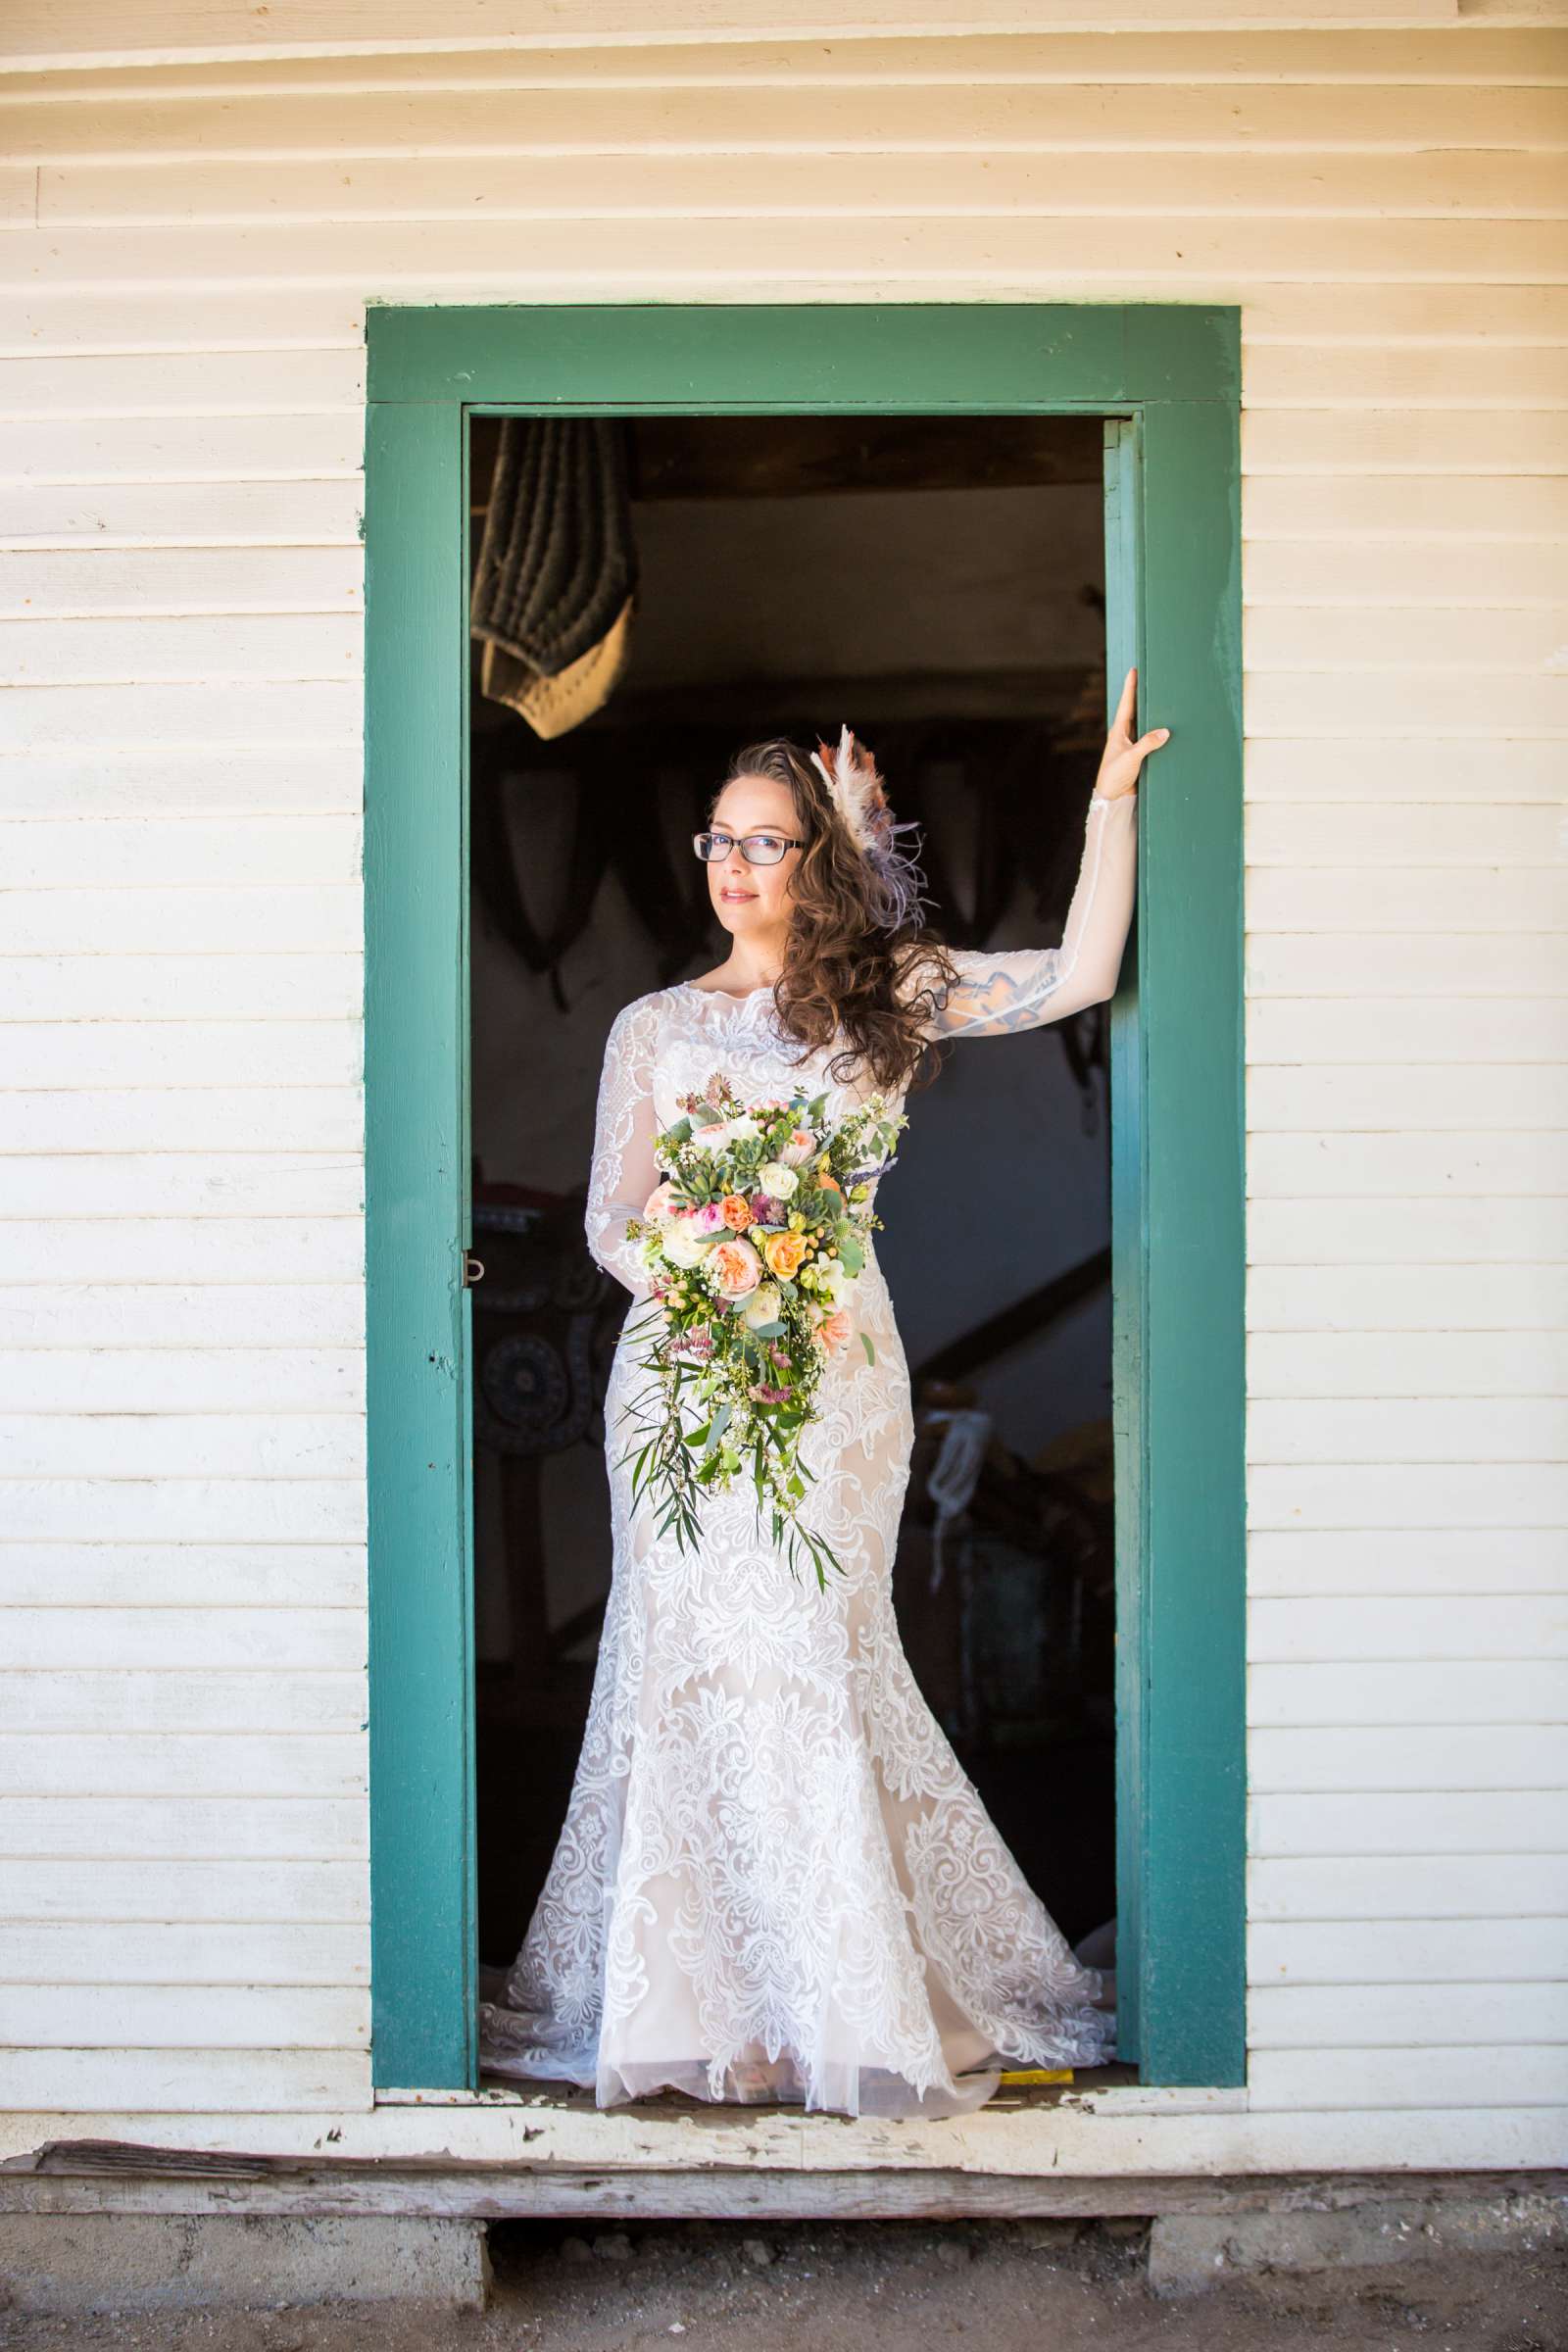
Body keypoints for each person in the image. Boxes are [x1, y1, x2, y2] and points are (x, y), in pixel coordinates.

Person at [479, 669, 1169, 2118]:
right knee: (694, 1669)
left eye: (765, 842)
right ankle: (714, 2014)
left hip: (835, 1380)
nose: (734, 868)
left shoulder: (887, 999)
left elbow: (1080, 975)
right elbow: (613, 1221)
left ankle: (839, 2003)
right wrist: (707, 1270)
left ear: (820, 859)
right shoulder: (654, 1029)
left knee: (809, 1652)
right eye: (718, 843)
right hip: (680, 1386)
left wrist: (1106, 803)